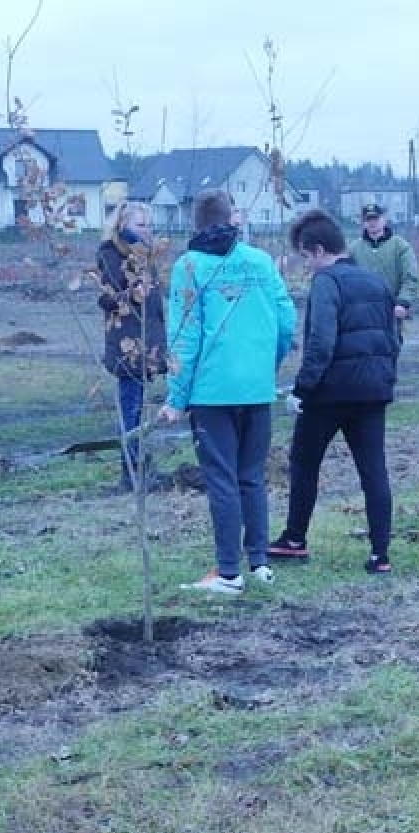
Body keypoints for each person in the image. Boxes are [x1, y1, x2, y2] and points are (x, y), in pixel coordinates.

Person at [159, 190, 296, 595]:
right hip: (256, 389)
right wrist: (265, 366)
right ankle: (259, 563)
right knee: (251, 476)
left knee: (221, 479)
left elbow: (183, 337)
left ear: (195, 223)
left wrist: (175, 397)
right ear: (232, 218)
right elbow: (286, 319)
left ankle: (228, 573)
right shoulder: (259, 261)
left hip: (211, 392)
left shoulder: (189, 267)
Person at [270, 209, 399, 575]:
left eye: (306, 258)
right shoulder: (375, 282)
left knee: (304, 462)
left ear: (319, 250)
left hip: (330, 394)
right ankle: (380, 554)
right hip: (373, 392)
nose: (307, 266)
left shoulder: (327, 282)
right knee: (373, 471)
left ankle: (295, 538)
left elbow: (321, 342)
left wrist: (303, 389)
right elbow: (392, 340)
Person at [95, 202, 167, 492]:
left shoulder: (145, 257)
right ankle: (132, 471)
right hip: (127, 348)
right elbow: (106, 299)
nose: (146, 230)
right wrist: (131, 296)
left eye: (149, 225)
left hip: (147, 346)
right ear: (122, 225)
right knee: (131, 409)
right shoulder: (110, 255)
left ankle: (141, 466)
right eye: (140, 225)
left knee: (141, 408)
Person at [349, 203, 419, 330]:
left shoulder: (400, 246)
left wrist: (403, 302)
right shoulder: (353, 249)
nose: (372, 222)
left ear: (384, 220)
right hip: (362, 312)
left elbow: (410, 277)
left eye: (375, 218)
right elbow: (346, 278)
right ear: (363, 222)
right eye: (368, 219)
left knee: (390, 346)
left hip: (391, 311)